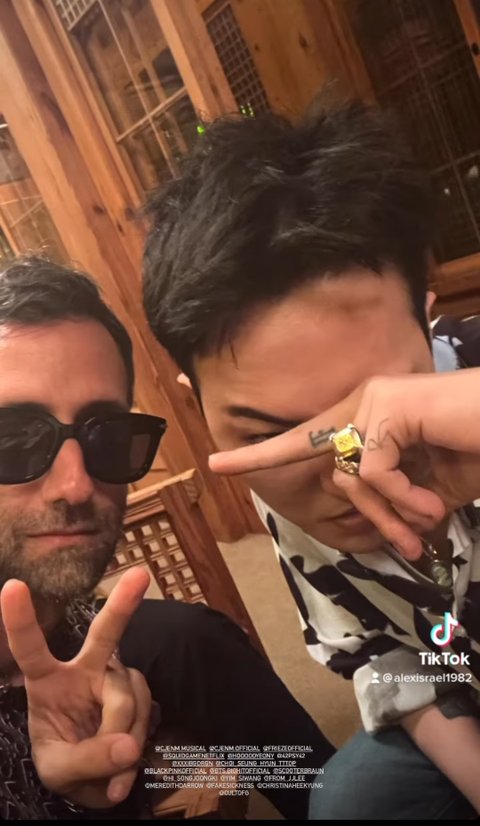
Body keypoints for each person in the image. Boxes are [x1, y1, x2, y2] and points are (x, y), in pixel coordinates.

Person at [142, 97, 480, 819]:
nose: (349, 470)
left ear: (426, 320)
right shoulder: (274, 486)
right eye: (277, 434)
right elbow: (394, 655)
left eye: (373, 407)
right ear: (198, 409)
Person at [0, 256, 332, 820]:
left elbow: (316, 785)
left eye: (107, 435)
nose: (77, 485)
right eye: (12, 439)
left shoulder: (174, 647)